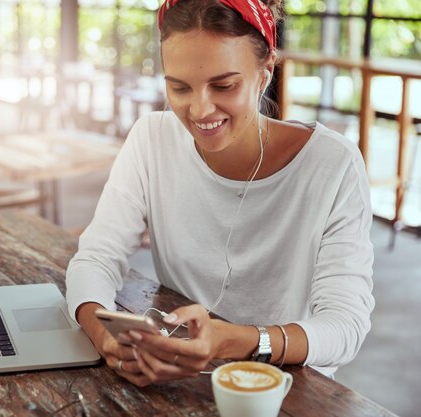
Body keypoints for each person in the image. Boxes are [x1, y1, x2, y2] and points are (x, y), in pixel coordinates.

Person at [66, 0, 374, 387]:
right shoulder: (151, 139)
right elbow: (96, 256)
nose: (199, 109)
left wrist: (237, 340)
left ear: (265, 72)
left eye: (224, 85)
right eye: (179, 87)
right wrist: (103, 334)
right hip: (178, 376)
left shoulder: (333, 164)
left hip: (285, 385)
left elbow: (345, 328)